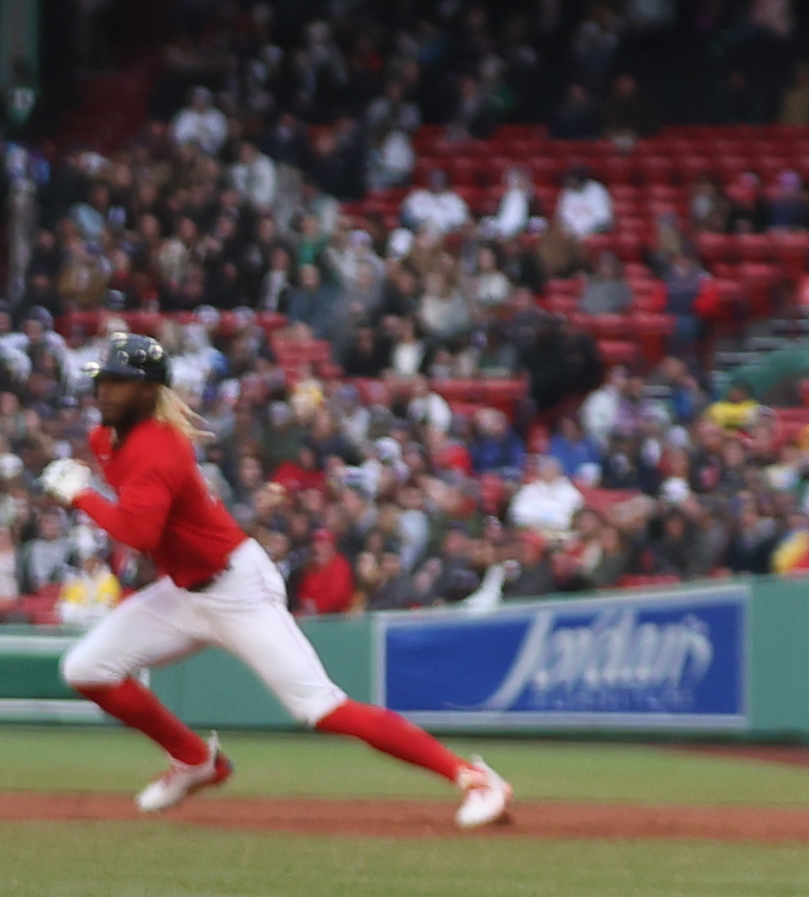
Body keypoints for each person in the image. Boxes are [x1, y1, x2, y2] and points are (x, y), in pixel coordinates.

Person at [45, 334, 511, 828]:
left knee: (321, 707)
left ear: (147, 390)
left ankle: (475, 777)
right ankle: (196, 760)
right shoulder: (107, 439)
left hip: (237, 588)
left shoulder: (158, 447)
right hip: (183, 591)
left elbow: (139, 533)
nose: (104, 392)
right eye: (103, 381)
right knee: (87, 668)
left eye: (118, 383)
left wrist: (81, 496)